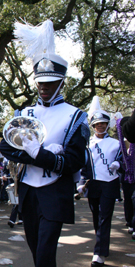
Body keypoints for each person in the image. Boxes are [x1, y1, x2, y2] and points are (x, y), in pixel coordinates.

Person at [0, 20, 89, 267]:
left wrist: (38, 154)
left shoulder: (75, 116)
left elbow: (74, 161)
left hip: (54, 190)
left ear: (62, 81)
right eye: (40, 81)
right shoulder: (25, 113)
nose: (44, 87)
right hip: (28, 189)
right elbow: (6, 147)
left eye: (50, 82)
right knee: (36, 249)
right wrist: (39, 154)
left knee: (46, 250)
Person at [78, 96, 122, 267]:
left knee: (105, 216)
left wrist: (119, 163)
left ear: (107, 125)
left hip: (110, 184)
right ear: (93, 126)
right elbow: (84, 166)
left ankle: (99, 253)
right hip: (94, 184)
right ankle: (103, 245)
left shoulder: (116, 144)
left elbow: (124, 161)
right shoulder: (87, 145)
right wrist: (81, 183)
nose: (100, 126)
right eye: (97, 124)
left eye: (103, 123)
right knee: (97, 217)